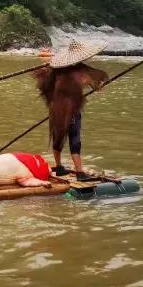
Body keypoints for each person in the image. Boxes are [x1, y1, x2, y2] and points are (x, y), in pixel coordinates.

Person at [32, 39, 109, 181]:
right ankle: (80, 172)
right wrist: (97, 85)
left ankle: (59, 166)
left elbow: (46, 85)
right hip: (71, 110)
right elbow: (95, 84)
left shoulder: (55, 71)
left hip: (55, 110)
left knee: (58, 138)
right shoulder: (80, 71)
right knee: (75, 139)